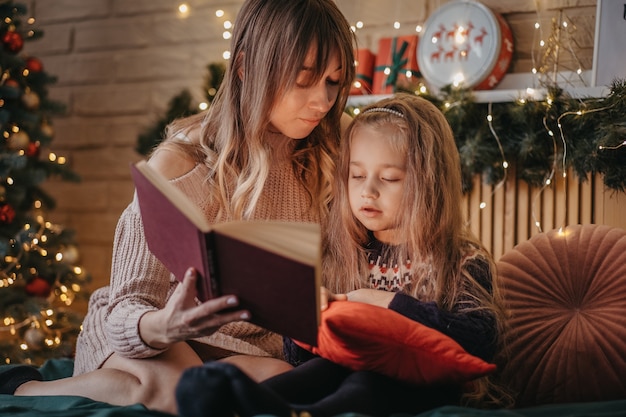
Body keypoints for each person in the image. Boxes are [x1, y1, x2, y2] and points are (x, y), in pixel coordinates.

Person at [0, 0, 356, 413]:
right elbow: (127, 305)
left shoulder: (330, 160)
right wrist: (166, 325)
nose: (323, 101)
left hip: (244, 345)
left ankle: (92, 386)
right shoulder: (180, 163)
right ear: (245, 67)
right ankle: (22, 389)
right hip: (148, 332)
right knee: (182, 391)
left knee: (277, 386)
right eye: (304, 80)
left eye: (333, 82)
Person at [174, 93, 512, 417]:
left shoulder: (462, 261)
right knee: (326, 368)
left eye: (390, 178)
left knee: (372, 377)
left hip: (424, 387)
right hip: (342, 372)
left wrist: (375, 300)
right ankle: (243, 401)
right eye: (357, 175)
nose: (368, 190)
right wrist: (304, 318)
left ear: (429, 182)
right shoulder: (341, 253)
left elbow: (480, 341)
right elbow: (299, 359)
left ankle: (298, 413)